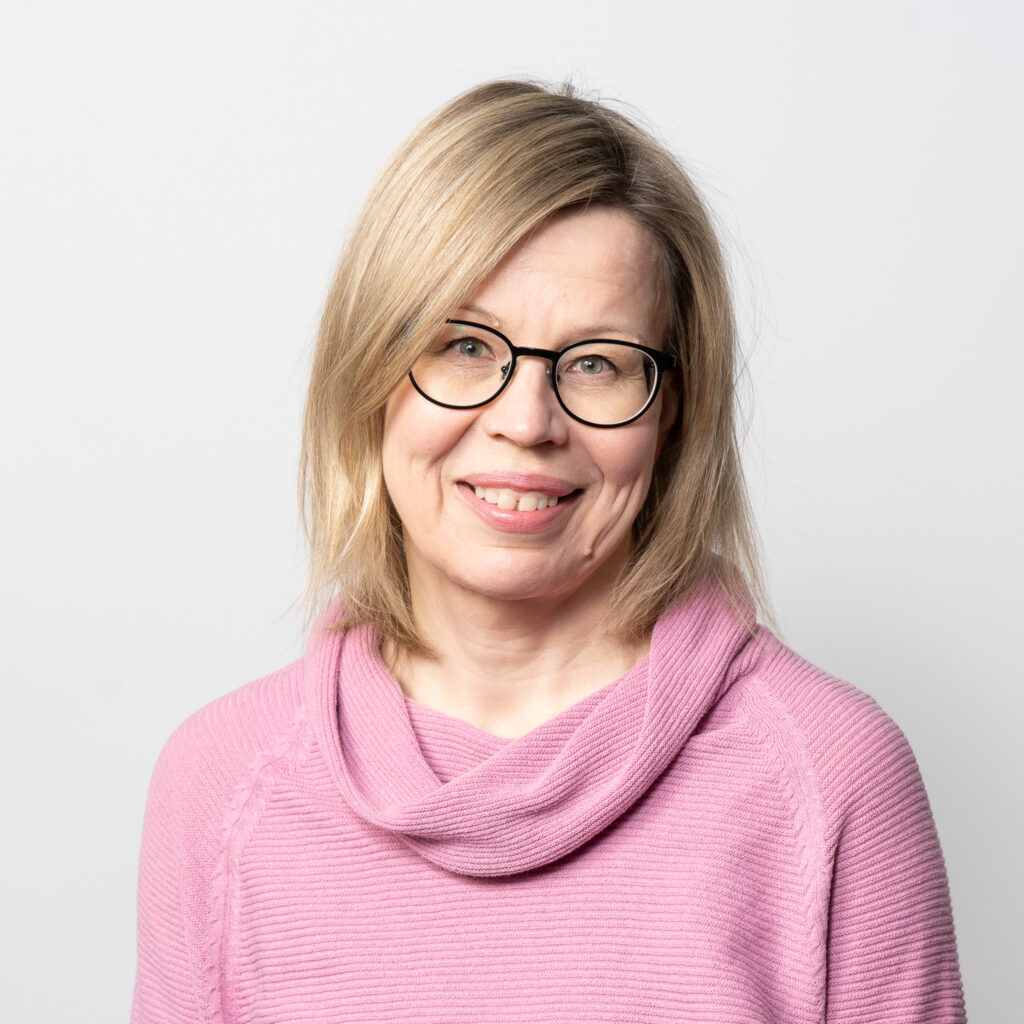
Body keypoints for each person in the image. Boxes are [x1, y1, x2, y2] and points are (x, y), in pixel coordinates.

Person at [132, 80, 965, 1022]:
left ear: (673, 411)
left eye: (599, 362)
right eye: (462, 346)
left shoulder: (833, 774)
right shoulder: (219, 783)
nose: (526, 421)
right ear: (368, 372)